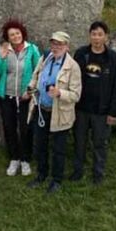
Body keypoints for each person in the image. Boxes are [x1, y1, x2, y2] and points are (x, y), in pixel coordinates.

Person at [25, 31, 82, 194]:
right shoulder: (45, 58)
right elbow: (35, 76)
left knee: (59, 149)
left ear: (67, 46)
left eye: (60, 44)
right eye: (54, 44)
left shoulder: (73, 67)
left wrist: (60, 93)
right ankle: (41, 175)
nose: (56, 47)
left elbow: (76, 95)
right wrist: (31, 88)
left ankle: (56, 180)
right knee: (40, 146)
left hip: (60, 113)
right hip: (41, 110)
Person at [71, 20, 116, 184]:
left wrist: (113, 112)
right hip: (80, 108)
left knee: (100, 144)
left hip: (102, 111)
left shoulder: (114, 58)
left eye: (100, 34)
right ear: (89, 36)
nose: (96, 38)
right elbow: (72, 78)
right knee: (79, 142)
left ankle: (98, 174)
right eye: (93, 34)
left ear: (106, 37)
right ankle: (77, 171)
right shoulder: (81, 54)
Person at [0, 19, 42, 177]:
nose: (15, 36)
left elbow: (39, 72)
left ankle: (26, 159)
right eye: (11, 34)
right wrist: (2, 57)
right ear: (7, 37)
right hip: (7, 96)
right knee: (9, 128)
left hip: (26, 97)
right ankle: (14, 158)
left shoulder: (32, 49)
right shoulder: (5, 50)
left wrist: (30, 91)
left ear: (22, 33)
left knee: (26, 129)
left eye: (17, 33)